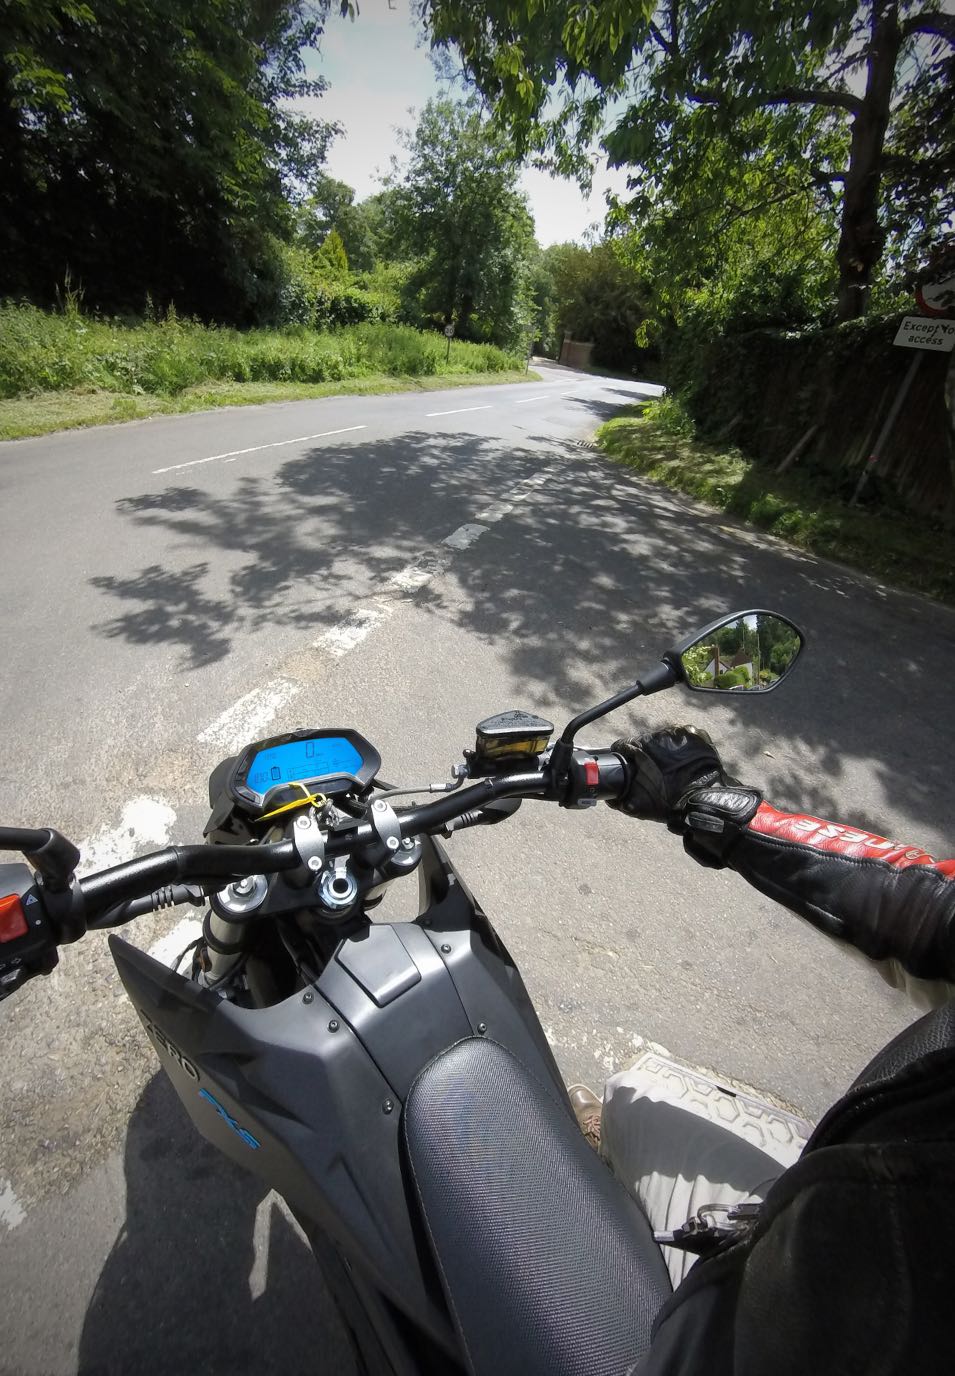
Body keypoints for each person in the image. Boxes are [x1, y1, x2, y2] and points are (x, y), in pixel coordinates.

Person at [573, 727, 955, 1374]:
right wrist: (713, 806)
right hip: (835, 1202)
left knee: (634, 1099)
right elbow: (920, 912)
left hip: (785, 1322)